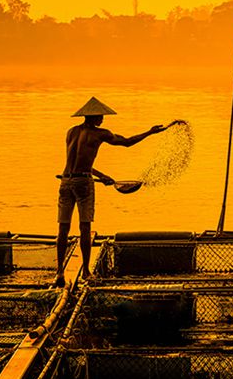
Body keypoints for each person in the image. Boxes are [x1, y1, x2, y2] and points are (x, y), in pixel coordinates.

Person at [55, 96, 181, 287]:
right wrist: (150, 132)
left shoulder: (71, 132)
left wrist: (102, 175)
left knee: (63, 228)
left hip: (65, 181)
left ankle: (59, 273)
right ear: (94, 117)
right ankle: (86, 272)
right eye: (101, 116)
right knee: (85, 227)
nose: (103, 119)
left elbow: (75, 164)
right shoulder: (100, 134)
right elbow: (127, 142)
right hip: (83, 184)